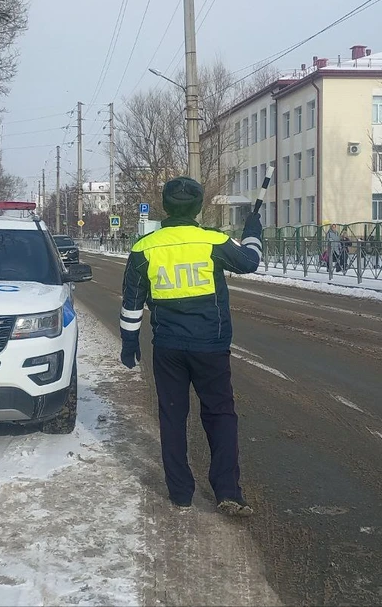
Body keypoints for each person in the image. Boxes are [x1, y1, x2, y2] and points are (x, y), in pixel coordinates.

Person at [119, 177, 262, 517]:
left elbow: (132, 302)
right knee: (220, 415)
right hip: (211, 346)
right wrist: (254, 230)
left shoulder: (144, 247)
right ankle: (228, 490)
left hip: (168, 347)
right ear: (198, 207)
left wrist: (129, 342)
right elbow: (250, 262)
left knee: (172, 416)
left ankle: (181, 493)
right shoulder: (212, 240)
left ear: (165, 206)